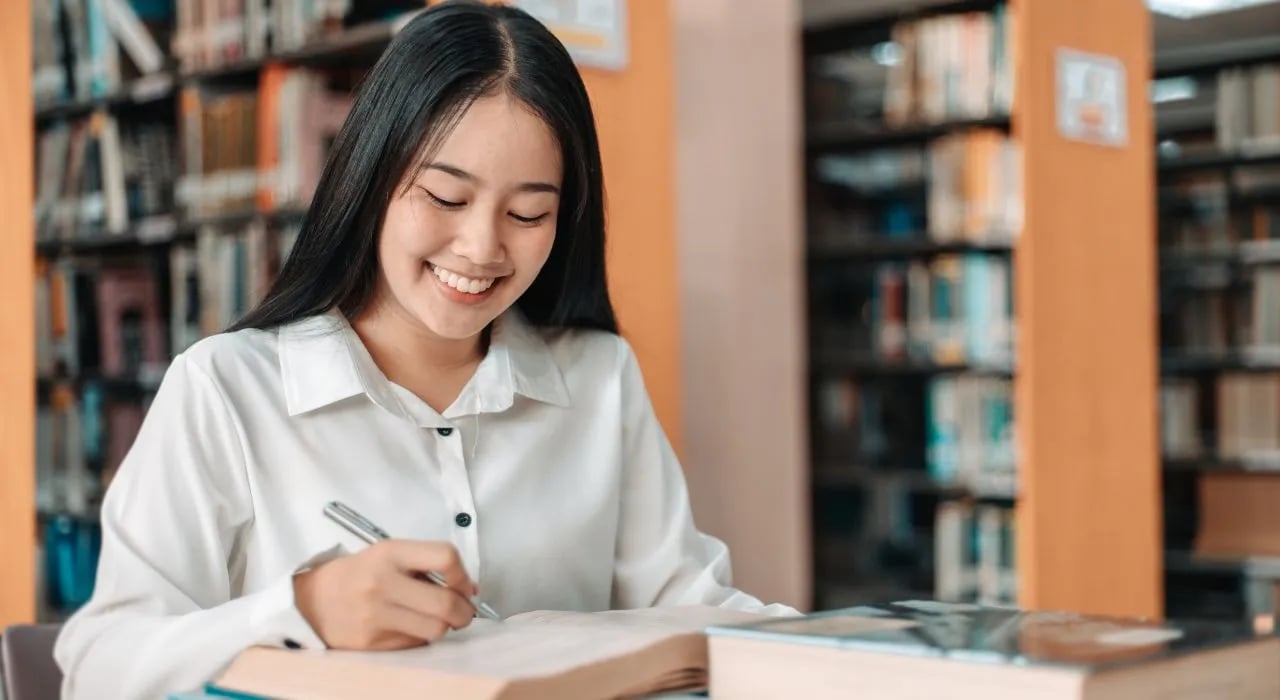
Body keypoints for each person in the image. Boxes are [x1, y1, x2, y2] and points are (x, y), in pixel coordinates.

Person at [53, 2, 795, 698]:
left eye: (529, 213)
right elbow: (98, 661)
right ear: (373, 179)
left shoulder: (598, 376)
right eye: (445, 198)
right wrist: (300, 610)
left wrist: (859, 648)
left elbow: (692, 606)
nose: (481, 248)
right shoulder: (225, 388)